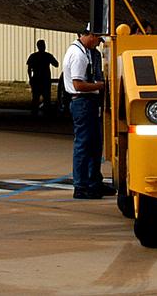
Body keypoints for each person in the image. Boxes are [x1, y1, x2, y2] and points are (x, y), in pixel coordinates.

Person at [63, 29, 112, 199]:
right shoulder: (78, 55)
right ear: (89, 35)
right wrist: (100, 86)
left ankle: (93, 181)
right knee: (83, 145)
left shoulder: (88, 53)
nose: (98, 42)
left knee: (94, 144)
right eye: (97, 38)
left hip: (89, 102)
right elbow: (78, 85)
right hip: (82, 101)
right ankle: (81, 185)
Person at [26, 40, 59, 117]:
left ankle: (34, 113)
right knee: (46, 98)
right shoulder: (47, 56)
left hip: (36, 79)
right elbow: (56, 64)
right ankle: (46, 114)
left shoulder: (33, 56)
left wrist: (30, 78)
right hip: (45, 80)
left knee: (35, 98)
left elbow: (29, 68)